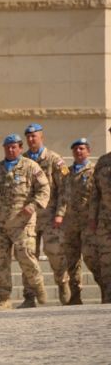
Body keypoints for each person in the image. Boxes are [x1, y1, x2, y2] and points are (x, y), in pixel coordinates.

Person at [0, 134, 50, 310]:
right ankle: (4, 298)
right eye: (7, 147)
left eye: (14, 146)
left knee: (26, 256)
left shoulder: (30, 166)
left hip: (22, 222)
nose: (10, 149)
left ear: (20, 148)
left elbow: (44, 189)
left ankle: (37, 284)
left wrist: (33, 206)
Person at [23, 123, 70, 306]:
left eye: (34, 136)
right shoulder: (23, 160)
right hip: (30, 217)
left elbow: (65, 188)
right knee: (28, 256)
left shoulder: (54, 159)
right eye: (28, 136)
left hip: (51, 216)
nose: (30, 139)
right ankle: (29, 296)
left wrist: (60, 213)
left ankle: (63, 285)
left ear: (41, 137)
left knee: (55, 253)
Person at [55, 138, 103, 304]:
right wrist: (59, 214)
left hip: (88, 222)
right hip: (70, 223)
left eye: (82, 148)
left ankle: (106, 290)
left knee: (91, 257)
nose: (78, 151)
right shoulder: (67, 173)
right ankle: (75, 296)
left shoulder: (94, 170)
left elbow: (97, 196)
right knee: (71, 260)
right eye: (75, 149)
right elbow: (62, 196)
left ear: (88, 151)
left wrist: (95, 218)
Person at [89, 126, 111, 304]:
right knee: (105, 258)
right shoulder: (103, 162)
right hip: (105, 219)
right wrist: (92, 217)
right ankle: (108, 295)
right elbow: (95, 193)